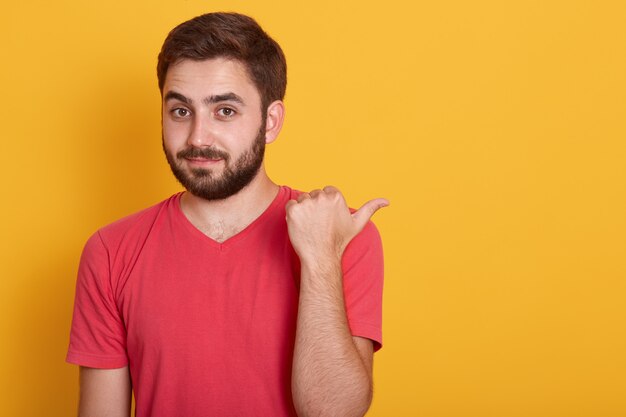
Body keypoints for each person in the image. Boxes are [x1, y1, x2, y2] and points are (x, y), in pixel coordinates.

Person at [66, 12, 387, 417]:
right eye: (181, 111)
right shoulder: (111, 252)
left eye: (225, 111)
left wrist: (321, 259)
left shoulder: (340, 235)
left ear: (270, 122)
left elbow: (333, 413)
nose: (198, 137)